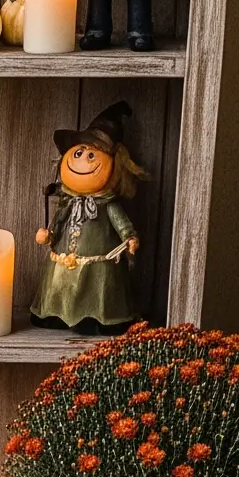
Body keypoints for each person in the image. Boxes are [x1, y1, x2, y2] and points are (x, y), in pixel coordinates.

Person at [30, 101, 146, 333]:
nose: (82, 160)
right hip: (65, 263)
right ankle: (56, 313)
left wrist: (130, 237)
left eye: (91, 154)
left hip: (98, 266)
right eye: (79, 153)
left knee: (96, 288)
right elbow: (59, 221)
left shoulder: (107, 205)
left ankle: (97, 316)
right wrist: (48, 234)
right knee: (61, 285)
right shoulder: (68, 202)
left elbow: (121, 223)